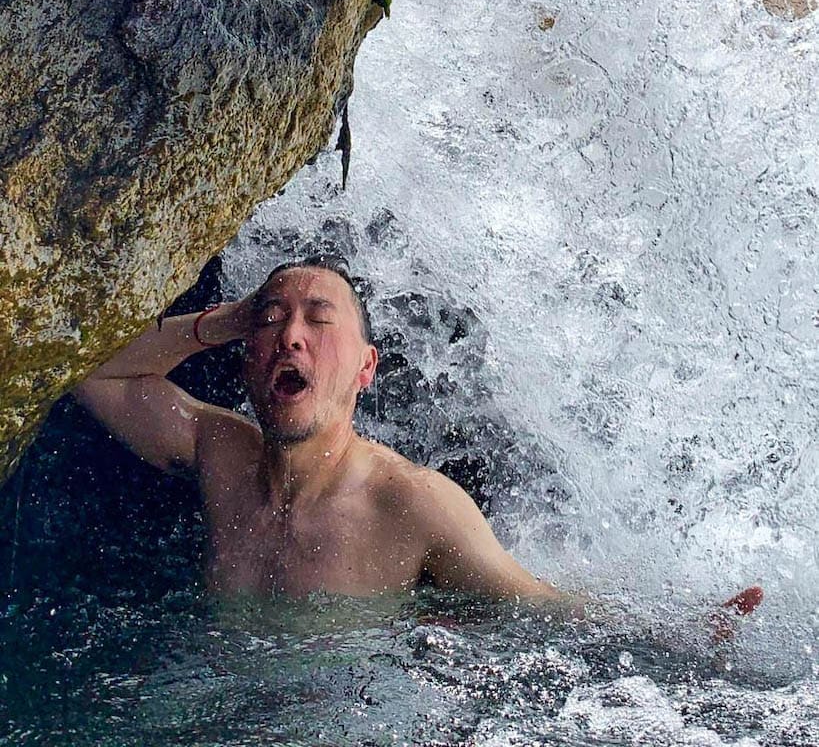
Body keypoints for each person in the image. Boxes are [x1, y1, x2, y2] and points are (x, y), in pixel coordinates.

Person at [74, 255, 761, 626]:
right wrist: (223, 320)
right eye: (274, 321)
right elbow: (87, 368)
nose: (291, 334)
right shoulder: (218, 452)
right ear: (249, 359)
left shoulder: (410, 505)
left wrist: (681, 630)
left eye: (319, 319)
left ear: (365, 369)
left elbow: (537, 606)